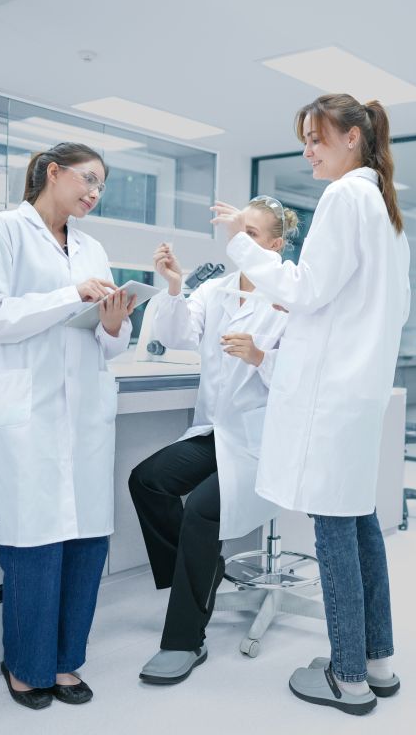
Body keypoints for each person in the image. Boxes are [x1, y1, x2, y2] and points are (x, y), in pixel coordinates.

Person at [211, 94, 411, 716]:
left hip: (332, 396)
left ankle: (347, 680)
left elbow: (308, 289)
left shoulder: (346, 197)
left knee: (333, 528)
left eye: (317, 138)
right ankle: (375, 662)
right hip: (355, 390)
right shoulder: (381, 205)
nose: (309, 152)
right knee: (358, 523)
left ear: (352, 137)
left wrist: (242, 245)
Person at [0, 142, 138, 710]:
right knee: (34, 539)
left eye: (102, 186)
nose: (94, 192)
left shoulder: (93, 246)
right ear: (52, 173)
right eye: (88, 179)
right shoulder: (3, 230)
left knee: (85, 538)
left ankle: (64, 663)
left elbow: (112, 344)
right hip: (30, 408)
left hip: (84, 409)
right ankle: (27, 666)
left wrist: (113, 324)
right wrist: (68, 295)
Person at [128, 197, 297, 684]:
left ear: (273, 245)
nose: (237, 239)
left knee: (202, 512)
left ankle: (185, 639)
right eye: (236, 229)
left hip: (262, 445)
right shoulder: (218, 290)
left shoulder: (291, 297)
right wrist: (176, 288)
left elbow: (306, 377)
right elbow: (178, 335)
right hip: (216, 432)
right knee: (149, 481)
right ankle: (200, 574)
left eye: (249, 231)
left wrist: (261, 356)